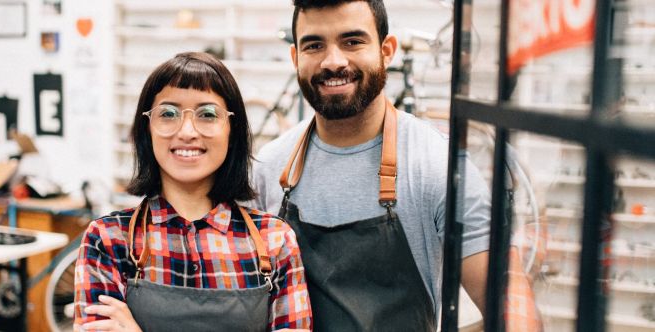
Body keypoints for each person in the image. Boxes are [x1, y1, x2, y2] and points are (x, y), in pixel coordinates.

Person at [253, 1, 493, 331]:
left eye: (352, 41)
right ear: (296, 58)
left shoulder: (438, 165)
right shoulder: (268, 168)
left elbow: (511, 313)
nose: (333, 61)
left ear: (387, 50)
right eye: (314, 45)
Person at [74, 52, 312, 331]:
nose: (187, 131)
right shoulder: (108, 240)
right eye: (168, 113)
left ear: (232, 132)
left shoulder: (274, 241)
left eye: (207, 114)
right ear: (146, 130)